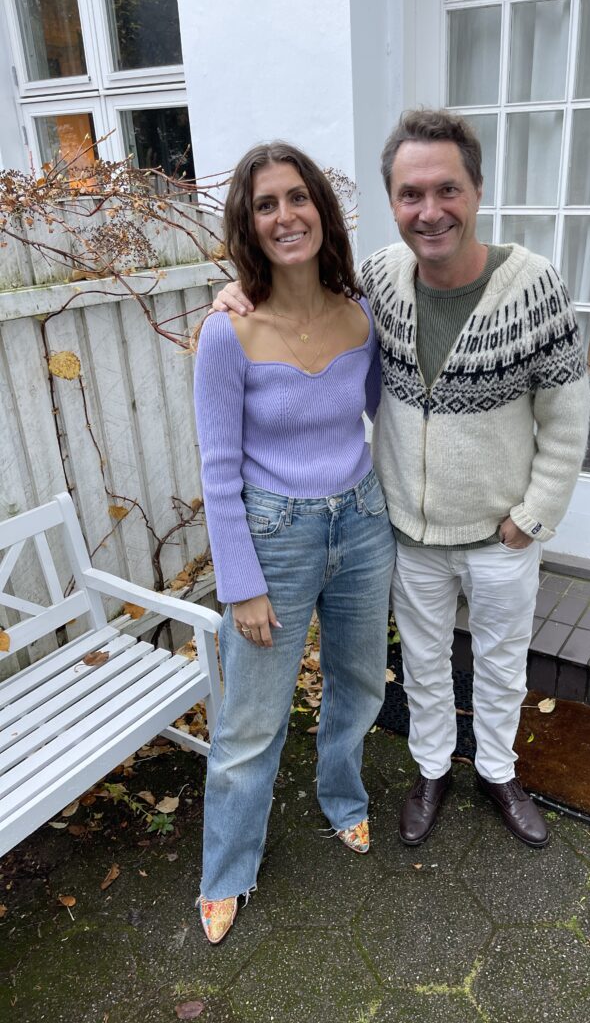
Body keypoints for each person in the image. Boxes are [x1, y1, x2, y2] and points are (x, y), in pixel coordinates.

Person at [214, 109, 590, 854]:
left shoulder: (534, 285)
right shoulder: (381, 280)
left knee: (501, 663)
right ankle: (431, 771)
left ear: (476, 190)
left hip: (502, 534)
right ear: (392, 201)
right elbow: (303, 305)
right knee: (421, 665)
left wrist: (535, 514)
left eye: (447, 189)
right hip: (407, 533)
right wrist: (237, 293)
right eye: (410, 194)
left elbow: (568, 415)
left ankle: (498, 772)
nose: (430, 210)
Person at [194, 141, 395, 944]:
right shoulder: (229, 332)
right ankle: (226, 869)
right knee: (252, 718)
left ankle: (342, 798)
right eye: (265, 204)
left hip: (363, 522)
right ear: (249, 224)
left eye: (297, 198)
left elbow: (382, 413)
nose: (286, 216)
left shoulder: (360, 314)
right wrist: (239, 582)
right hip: (274, 537)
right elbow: (218, 470)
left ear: (322, 209)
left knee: (359, 682)